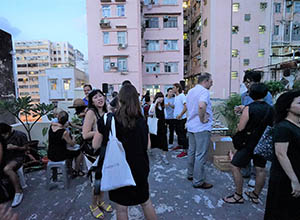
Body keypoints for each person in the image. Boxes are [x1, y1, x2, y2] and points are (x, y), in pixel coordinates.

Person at [92, 84, 157, 220]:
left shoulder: (109, 120)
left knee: (121, 209)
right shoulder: (141, 121)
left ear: (119, 100)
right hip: (140, 168)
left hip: (118, 169)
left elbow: (95, 144)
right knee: (145, 202)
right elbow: (148, 146)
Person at [223, 83, 274, 204]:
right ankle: (255, 195)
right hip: (263, 144)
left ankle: (238, 195)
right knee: (260, 169)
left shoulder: (249, 108)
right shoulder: (271, 109)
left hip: (249, 143)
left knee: (235, 166)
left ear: (251, 94)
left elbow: (241, 128)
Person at [264, 90, 300, 220]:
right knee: (282, 210)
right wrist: (294, 180)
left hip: (296, 171)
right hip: (285, 177)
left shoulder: (296, 125)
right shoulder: (283, 127)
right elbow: (281, 154)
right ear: (287, 107)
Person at [235, 71, 273, 187]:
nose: (247, 84)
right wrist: (240, 111)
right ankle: (246, 171)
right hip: (247, 128)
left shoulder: (266, 95)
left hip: (260, 130)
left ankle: (253, 176)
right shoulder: (244, 95)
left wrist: (246, 109)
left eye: (249, 82)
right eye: (245, 82)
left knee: (258, 157)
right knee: (246, 151)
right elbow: (245, 113)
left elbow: (268, 110)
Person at [82, 89, 112, 219]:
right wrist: (101, 132)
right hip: (92, 153)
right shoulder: (90, 113)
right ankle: (93, 205)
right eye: (95, 97)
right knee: (96, 181)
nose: (99, 99)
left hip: (104, 150)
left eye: (100, 96)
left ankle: (101, 201)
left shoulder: (106, 112)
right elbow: (85, 134)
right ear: (91, 101)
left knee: (103, 178)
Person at [186, 73, 214, 189]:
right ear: (206, 81)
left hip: (191, 126)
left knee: (192, 151)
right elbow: (202, 106)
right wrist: (202, 119)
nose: (212, 83)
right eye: (211, 81)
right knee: (200, 154)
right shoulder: (204, 92)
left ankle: (191, 174)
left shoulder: (191, 91)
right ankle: (198, 181)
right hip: (201, 127)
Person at [47, 111, 83, 177]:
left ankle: (69, 169)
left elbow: (54, 123)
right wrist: (74, 138)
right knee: (79, 152)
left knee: (69, 152)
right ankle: (76, 171)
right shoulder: (64, 132)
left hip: (50, 154)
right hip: (59, 155)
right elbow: (72, 144)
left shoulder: (52, 126)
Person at [0, 123, 28, 208]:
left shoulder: (20, 135)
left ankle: (18, 191)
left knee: (7, 169)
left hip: (18, 157)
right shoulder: (2, 137)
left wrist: (15, 147)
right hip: (6, 157)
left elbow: (26, 148)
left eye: (4, 134)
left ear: (7, 132)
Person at [149, 92, 169, 165]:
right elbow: (151, 112)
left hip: (162, 126)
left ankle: (164, 155)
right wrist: (155, 103)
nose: (161, 99)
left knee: (164, 141)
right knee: (154, 139)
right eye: (160, 97)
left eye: (162, 97)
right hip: (155, 126)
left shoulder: (163, 107)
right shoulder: (153, 106)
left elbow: (165, 116)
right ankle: (150, 149)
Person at [172, 83, 189, 158]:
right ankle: (180, 145)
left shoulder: (182, 96)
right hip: (176, 118)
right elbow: (176, 107)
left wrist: (181, 114)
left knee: (182, 134)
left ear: (178, 88)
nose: (173, 89)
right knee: (178, 133)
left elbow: (186, 107)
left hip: (181, 119)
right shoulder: (176, 96)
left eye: (174, 88)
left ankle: (185, 151)